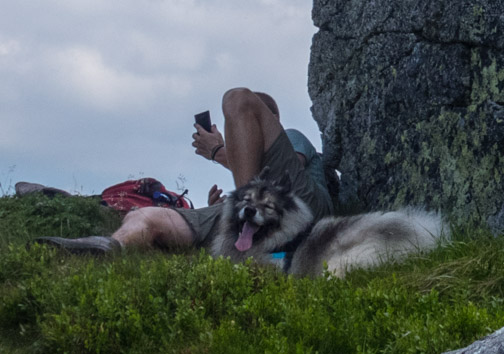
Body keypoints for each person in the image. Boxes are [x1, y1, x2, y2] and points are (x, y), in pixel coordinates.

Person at [38, 87, 332, 255]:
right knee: (145, 215)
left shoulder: (293, 137)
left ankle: (242, 222)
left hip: (299, 208)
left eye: (245, 127)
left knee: (236, 98)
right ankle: (111, 247)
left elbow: (278, 185)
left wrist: (218, 152)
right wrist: (224, 207)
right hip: (242, 216)